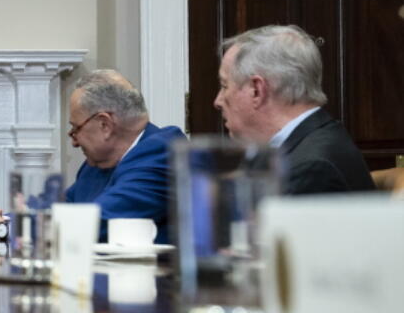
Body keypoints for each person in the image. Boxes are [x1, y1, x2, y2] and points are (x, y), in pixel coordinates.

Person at [214, 24, 373, 195]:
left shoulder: (310, 168)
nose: (217, 101)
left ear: (257, 90)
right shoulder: (302, 143)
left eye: (224, 85)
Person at [64, 69, 186, 239]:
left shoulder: (165, 153)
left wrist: (26, 227)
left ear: (104, 125)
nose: (74, 142)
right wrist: (15, 223)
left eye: (76, 129)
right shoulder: (95, 164)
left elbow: (99, 221)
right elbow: (59, 210)